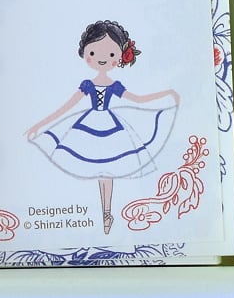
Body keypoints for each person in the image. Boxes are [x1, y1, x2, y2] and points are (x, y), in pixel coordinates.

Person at [24, 19, 179, 234]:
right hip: (88, 127)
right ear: (85, 54)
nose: (102, 58)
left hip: (111, 128)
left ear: (119, 57)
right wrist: (41, 125)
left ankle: (107, 213)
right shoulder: (88, 85)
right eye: (93, 53)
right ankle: (105, 213)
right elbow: (67, 107)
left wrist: (166, 94)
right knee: (99, 169)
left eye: (112, 54)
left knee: (107, 171)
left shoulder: (114, 86)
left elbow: (138, 100)